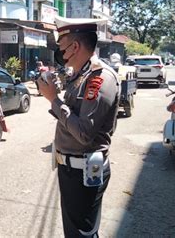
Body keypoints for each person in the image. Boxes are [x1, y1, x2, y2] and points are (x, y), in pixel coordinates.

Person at [37, 16, 120, 237]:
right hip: (71, 169)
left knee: (81, 234)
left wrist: (54, 99)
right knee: (76, 232)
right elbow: (72, 115)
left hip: (84, 172)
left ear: (75, 47)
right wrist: (57, 96)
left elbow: (83, 133)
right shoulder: (82, 75)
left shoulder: (100, 79)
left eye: (62, 49)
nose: (60, 54)